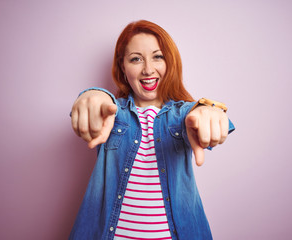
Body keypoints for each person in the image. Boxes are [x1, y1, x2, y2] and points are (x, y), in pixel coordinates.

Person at [69, 20, 235, 240]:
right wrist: (93, 94)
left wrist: (210, 110)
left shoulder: (183, 115)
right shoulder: (113, 112)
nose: (148, 69)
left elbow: (202, 112)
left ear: (170, 62)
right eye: (136, 59)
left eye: (158, 57)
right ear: (123, 67)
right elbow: (100, 103)